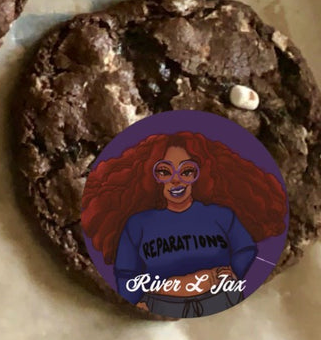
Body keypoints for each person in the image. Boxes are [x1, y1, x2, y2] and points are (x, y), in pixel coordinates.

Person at [81, 131, 288, 317]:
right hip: (160, 302)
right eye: (165, 171)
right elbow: (125, 275)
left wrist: (228, 274)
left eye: (187, 171)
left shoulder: (222, 216)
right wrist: (147, 299)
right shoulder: (137, 224)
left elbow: (247, 249)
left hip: (220, 296)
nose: (176, 180)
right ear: (151, 174)